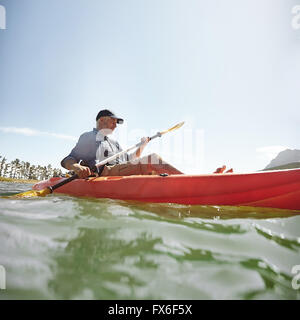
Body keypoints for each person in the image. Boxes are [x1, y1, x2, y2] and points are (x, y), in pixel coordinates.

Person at [61, 109, 183, 178]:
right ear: (101, 120)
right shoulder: (89, 137)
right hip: (105, 173)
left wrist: (142, 146)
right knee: (153, 159)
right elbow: (68, 159)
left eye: (116, 123)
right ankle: (194, 184)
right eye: (113, 121)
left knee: (154, 170)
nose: (115, 125)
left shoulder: (115, 143)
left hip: (120, 171)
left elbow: (130, 160)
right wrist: (76, 167)